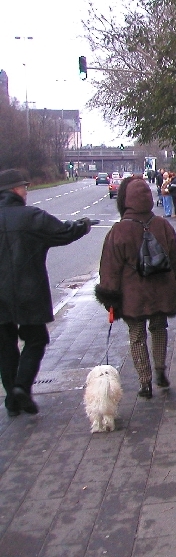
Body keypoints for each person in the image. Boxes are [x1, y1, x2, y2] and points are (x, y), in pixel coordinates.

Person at [0, 169, 93, 416]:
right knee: (36, 339)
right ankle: (21, 386)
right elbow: (62, 232)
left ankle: (13, 400)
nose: (26, 190)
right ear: (13, 190)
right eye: (23, 187)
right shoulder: (31, 217)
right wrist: (82, 226)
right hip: (28, 290)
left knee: (5, 346)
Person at [95, 177, 176, 398]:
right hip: (162, 290)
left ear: (126, 200)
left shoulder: (118, 231)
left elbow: (109, 268)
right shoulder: (162, 225)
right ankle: (160, 370)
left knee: (137, 335)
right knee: (159, 329)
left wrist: (110, 297)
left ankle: (145, 382)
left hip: (133, 295)